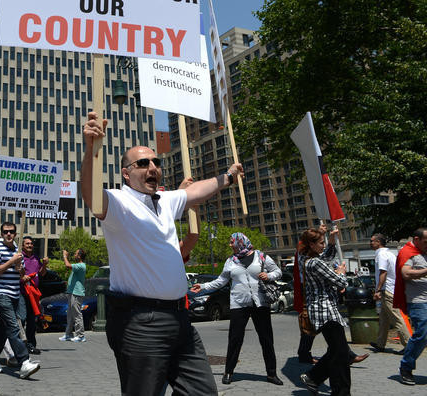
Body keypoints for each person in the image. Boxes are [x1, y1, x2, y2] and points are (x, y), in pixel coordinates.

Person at [81, 111, 242, 395]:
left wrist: (228, 176)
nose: (152, 166)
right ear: (126, 172)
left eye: (156, 162)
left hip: (180, 319)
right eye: (143, 163)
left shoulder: (166, 201)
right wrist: (92, 151)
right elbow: (92, 196)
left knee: (202, 391)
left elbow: (198, 192)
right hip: (141, 323)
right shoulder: (118, 202)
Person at [191, 233, 283, 385]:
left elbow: (278, 272)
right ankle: (228, 372)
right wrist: (202, 287)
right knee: (235, 339)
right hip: (239, 304)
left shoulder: (261, 256)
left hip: (260, 303)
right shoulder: (230, 261)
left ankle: (271, 374)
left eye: (232, 242)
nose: (230, 245)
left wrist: (268, 276)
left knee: (266, 339)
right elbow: (221, 281)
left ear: (241, 242)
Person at [298, 228, 350, 396]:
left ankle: (314, 377)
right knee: (340, 352)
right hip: (325, 311)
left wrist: (332, 241)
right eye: (321, 243)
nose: (323, 245)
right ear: (311, 245)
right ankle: (337, 389)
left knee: (337, 351)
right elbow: (340, 282)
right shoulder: (315, 263)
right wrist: (342, 273)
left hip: (321, 310)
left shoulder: (306, 259)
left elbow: (326, 256)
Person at [0, 222, 41, 379]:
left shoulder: (18, 251)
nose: (8, 234)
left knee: (3, 328)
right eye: (5, 232)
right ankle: (24, 361)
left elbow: (21, 273)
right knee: (13, 326)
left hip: (15, 294)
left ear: (16, 234)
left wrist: (20, 269)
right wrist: (12, 261)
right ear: (1, 233)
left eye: (11, 232)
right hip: (1, 294)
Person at [394, 227, 427, 385]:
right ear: (416, 239)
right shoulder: (408, 254)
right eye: (426, 241)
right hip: (418, 302)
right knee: (422, 334)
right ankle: (406, 367)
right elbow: (406, 273)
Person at [368, 233, 410, 353]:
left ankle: (408, 345)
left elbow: (383, 273)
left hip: (387, 290)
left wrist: (378, 290)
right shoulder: (390, 253)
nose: (370, 243)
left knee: (397, 318)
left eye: (372, 241)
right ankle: (380, 343)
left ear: (378, 242)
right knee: (384, 318)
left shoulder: (381, 255)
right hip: (391, 288)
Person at [19, 236, 47, 354]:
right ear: (22, 246)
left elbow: (42, 274)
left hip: (33, 294)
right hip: (22, 292)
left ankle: (31, 344)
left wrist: (44, 264)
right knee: (23, 318)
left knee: (31, 320)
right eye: (27, 244)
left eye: (31, 243)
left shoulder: (36, 259)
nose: (30, 245)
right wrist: (21, 276)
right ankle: (20, 345)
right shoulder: (18, 258)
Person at [59, 248, 87, 343]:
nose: (74, 255)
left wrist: (65, 256)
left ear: (79, 256)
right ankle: (68, 334)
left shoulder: (81, 265)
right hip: (72, 293)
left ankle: (80, 335)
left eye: (75, 254)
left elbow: (67, 265)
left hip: (77, 293)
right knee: (70, 315)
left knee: (77, 315)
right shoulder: (78, 265)